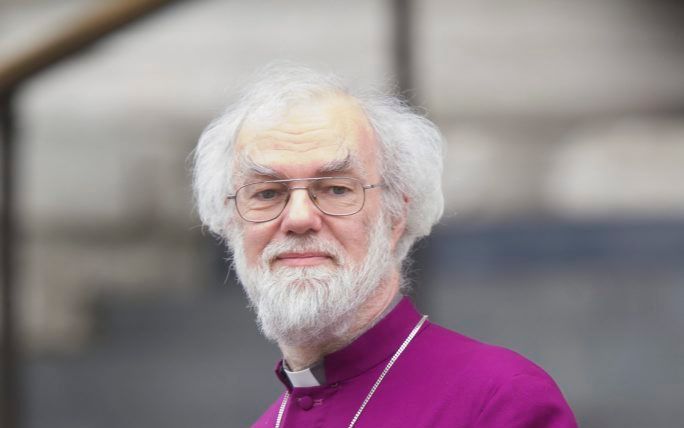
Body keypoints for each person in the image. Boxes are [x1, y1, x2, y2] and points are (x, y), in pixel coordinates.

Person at [192, 64, 578, 428]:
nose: (297, 219)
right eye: (267, 193)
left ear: (395, 217)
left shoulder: (497, 400)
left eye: (336, 189)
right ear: (231, 224)